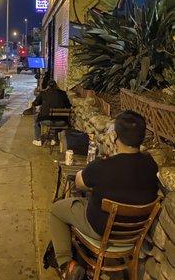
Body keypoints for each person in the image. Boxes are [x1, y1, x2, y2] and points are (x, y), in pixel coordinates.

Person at [50, 110, 158, 280]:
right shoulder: (151, 164)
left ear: (116, 136)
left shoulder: (103, 166)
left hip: (100, 229)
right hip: (133, 235)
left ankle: (66, 265)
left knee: (57, 209)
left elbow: (78, 182)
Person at [32, 79, 71, 146]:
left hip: (46, 121)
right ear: (56, 85)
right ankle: (54, 139)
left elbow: (35, 103)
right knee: (55, 118)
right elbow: (68, 105)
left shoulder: (43, 93)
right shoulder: (63, 93)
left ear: (48, 86)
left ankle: (38, 140)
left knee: (36, 120)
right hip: (61, 122)